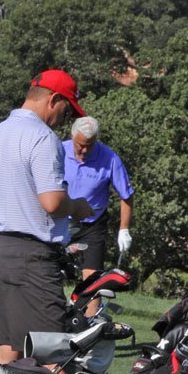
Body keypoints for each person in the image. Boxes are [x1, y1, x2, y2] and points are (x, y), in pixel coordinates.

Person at [0, 68, 96, 367]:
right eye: (66, 109)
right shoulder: (43, 138)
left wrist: (12, 206)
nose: (64, 118)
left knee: (9, 350)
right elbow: (51, 202)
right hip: (31, 258)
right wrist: (76, 207)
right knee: (54, 357)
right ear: (53, 99)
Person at [62, 115, 134, 278]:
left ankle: (92, 303)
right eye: (81, 145)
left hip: (92, 225)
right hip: (60, 221)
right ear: (73, 137)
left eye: (90, 145)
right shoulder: (59, 151)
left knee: (92, 279)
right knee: (52, 272)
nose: (85, 150)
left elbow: (126, 195)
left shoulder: (110, 158)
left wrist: (124, 229)